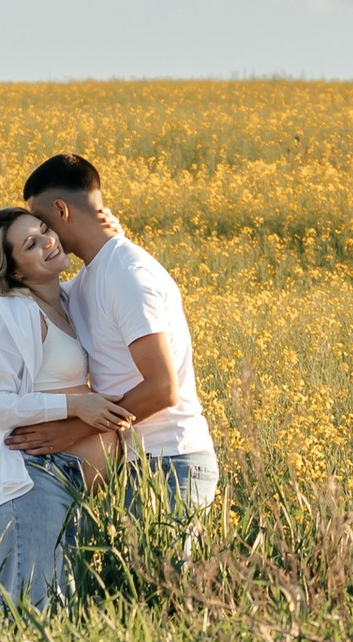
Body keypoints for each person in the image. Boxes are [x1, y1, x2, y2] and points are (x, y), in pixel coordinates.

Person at [15, 151, 220, 514]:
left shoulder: (128, 274)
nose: (43, 237)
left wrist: (75, 431)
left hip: (170, 463)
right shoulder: (86, 282)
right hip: (136, 465)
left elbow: (162, 388)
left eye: (43, 223)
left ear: (62, 210)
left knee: (166, 575)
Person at [0, 204, 131, 605]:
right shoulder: (15, 314)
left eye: (45, 229)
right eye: (31, 243)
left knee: (55, 617)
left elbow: (108, 276)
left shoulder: (66, 299)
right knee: (28, 615)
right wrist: (75, 406)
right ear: (15, 272)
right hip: (32, 483)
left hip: (65, 484)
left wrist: (113, 237)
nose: (48, 241)